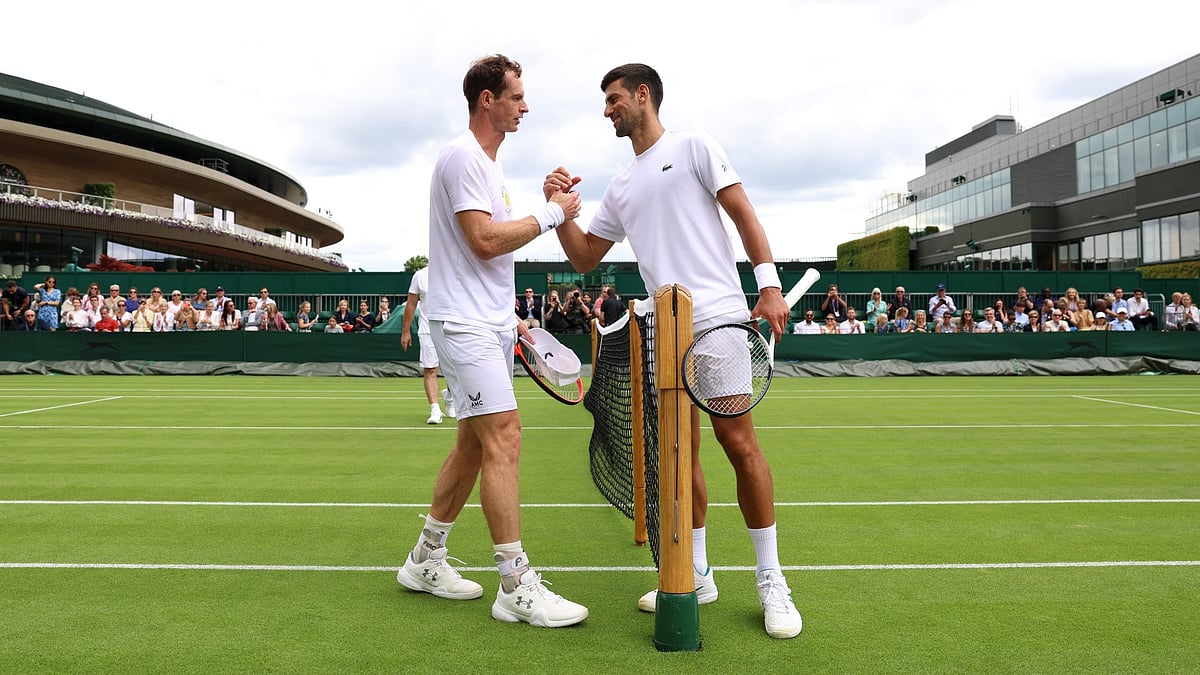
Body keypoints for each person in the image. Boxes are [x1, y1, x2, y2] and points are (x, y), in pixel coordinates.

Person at [545, 62, 800, 638]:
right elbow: (585, 256)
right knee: (679, 454)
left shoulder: (694, 147)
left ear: (643, 95)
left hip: (719, 321)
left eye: (613, 98)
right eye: (604, 102)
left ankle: (772, 579)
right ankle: (698, 572)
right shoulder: (618, 186)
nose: (607, 109)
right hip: (664, 329)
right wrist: (561, 210)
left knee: (739, 443)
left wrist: (769, 285)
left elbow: (743, 213)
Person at [395, 54, 588, 629]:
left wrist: (516, 321)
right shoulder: (461, 156)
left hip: (489, 323)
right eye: (516, 96)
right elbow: (482, 240)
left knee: (474, 446)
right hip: (463, 326)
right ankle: (515, 584)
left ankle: (425, 558)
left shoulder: (485, 166)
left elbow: (488, 256)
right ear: (488, 99)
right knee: (505, 437)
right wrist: (552, 213)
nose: (525, 105)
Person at [401, 264, 451, 425]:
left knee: (455, 369)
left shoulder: (457, 271)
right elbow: (411, 304)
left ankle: (450, 396)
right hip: (427, 329)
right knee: (430, 369)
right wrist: (405, 331)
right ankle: (435, 409)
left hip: (454, 329)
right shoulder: (420, 275)